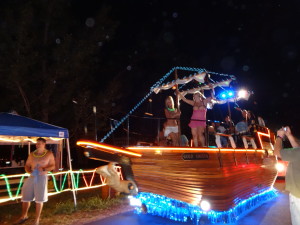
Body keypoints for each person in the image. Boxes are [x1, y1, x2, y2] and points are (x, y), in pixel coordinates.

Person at [14, 138, 55, 225]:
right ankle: (24, 216)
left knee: (39, 199)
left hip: (41, 177)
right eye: (37, 143)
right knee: (25, 196)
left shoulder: (49, 154)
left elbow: (52, 166)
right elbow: (27, 165)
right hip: (32, 176)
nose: (37, 145)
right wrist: (29, 171)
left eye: (39, 143)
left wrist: (44, 168)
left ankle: (36, 220)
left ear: (44, 144)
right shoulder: (32, 154)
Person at [274, 126, 300, 225]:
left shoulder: (297, 153)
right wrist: (289, 135)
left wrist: (279, 137)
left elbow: (277, 152)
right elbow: (297, 148)